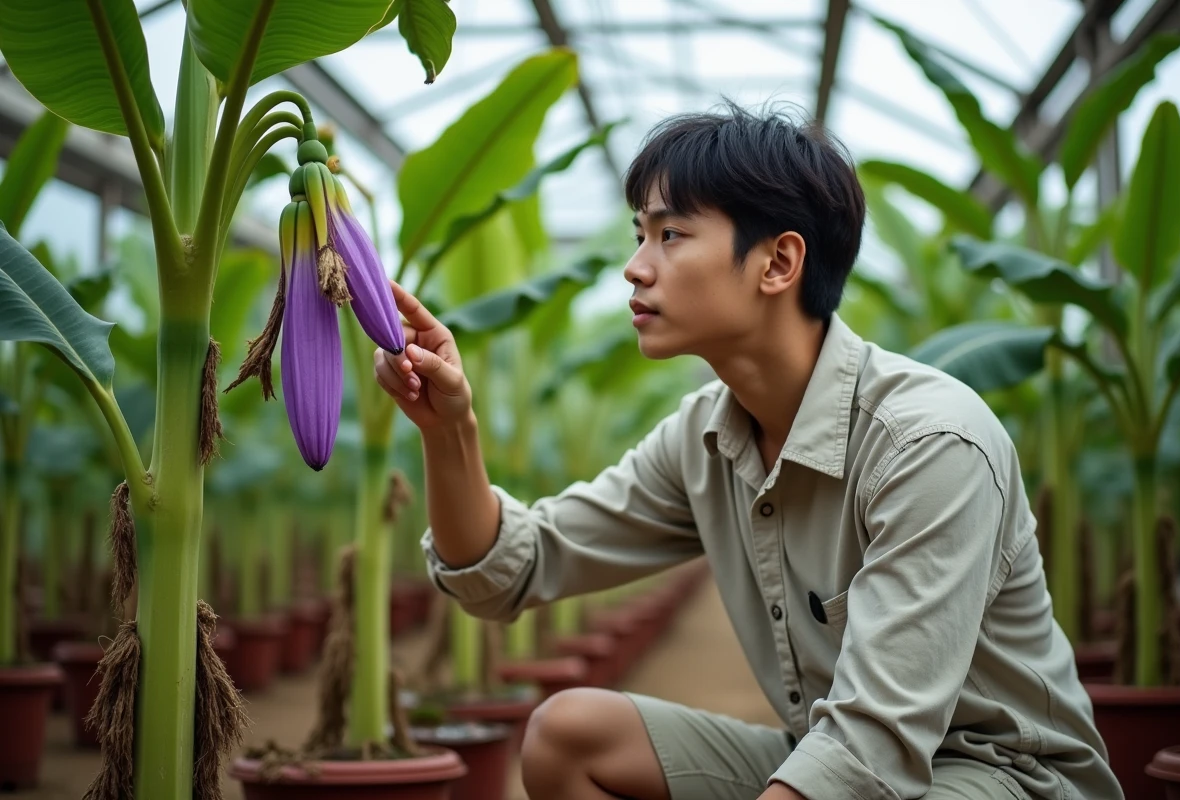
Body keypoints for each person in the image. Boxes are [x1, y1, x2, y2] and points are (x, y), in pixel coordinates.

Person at [372, 104, 1122, 800]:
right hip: (827, 759)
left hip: (1002, 773)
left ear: (777, 264)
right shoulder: (705, 436)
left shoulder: (928, 443)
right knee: (569, 736)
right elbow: (514, 568)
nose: (636, 266)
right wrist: (449, 430)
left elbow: (872, 745)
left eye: (670, 235)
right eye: (639, 234)